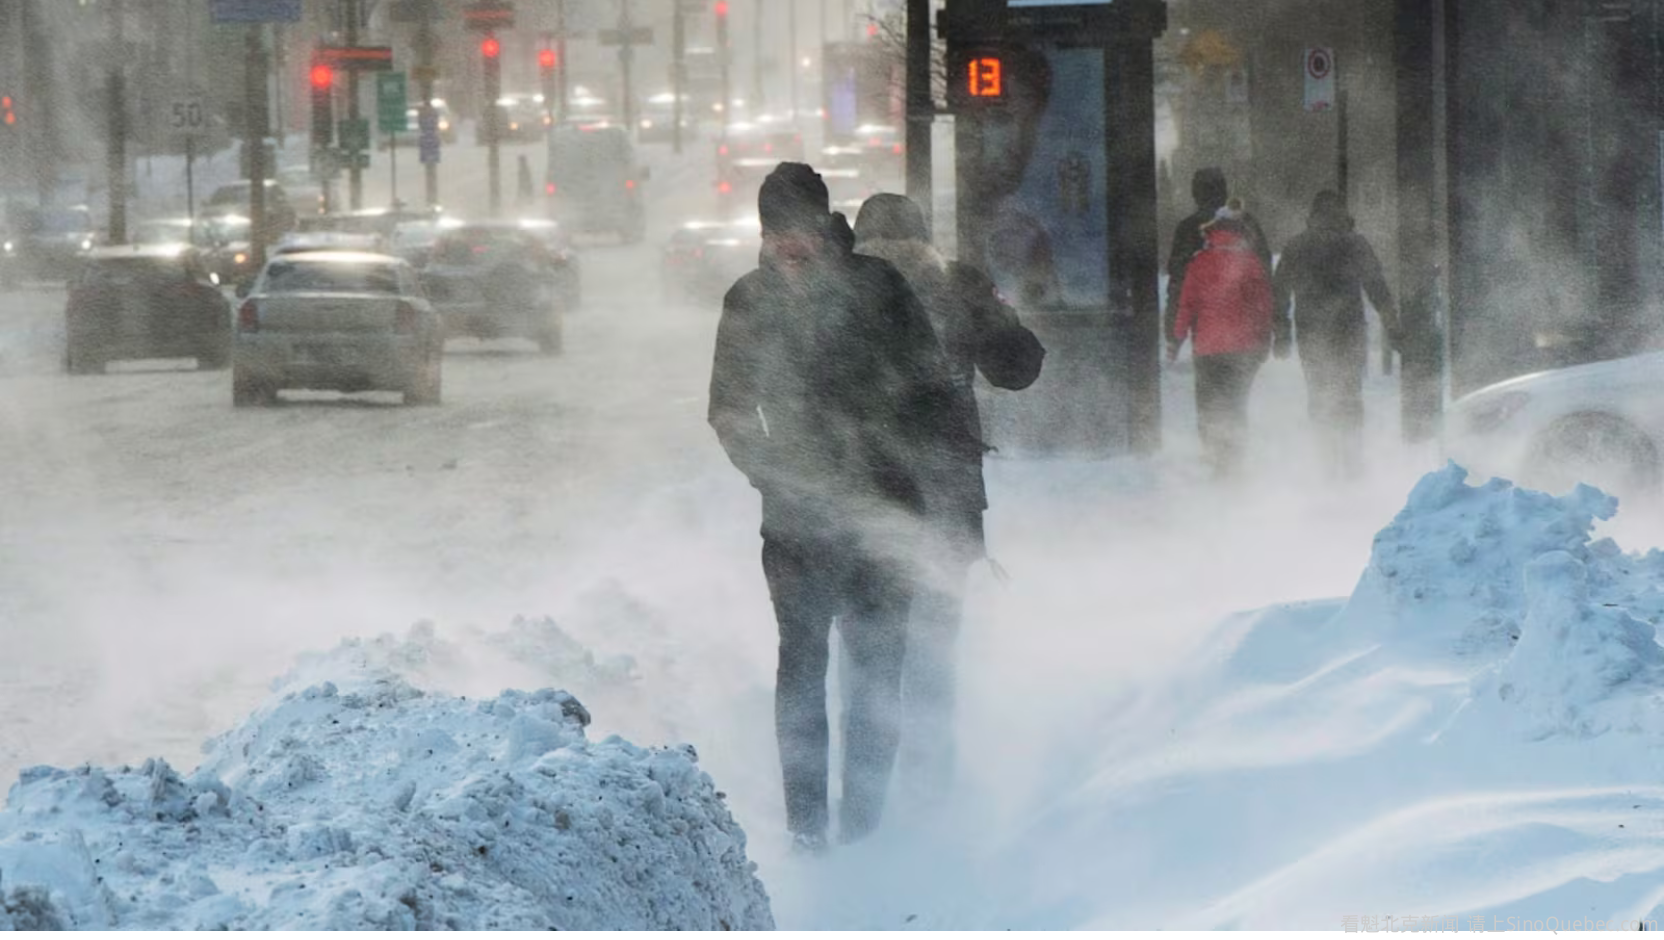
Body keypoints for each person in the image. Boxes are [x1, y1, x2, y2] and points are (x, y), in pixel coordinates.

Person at [707, 164, 969, 853]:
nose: (787, 246)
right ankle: (806, 830)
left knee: (877, 673)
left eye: (798, 231)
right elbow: (729, 412)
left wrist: (918, 472)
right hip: (796, 525)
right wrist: (779, 477)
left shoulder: (880, 290)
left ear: (825, 228)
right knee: (801, 669)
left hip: (885, 513)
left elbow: (931, 388)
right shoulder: (747, 302)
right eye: (773, 233)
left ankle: (865, 829)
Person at [851, 193, 1045, 800]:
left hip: (858, 501)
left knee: (862, 652)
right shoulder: (954, 286)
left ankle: (863, 794)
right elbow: (1016, 367)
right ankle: (931, 788)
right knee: (934, 648)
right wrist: (1000, 313)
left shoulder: (840, 290)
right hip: (946, 499)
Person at [1273, 190, 1400, 479]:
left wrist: (1281, 332)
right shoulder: (1355, 243)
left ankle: (1327, 465)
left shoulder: (1297, 245)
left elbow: (1279, 292)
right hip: (1349, 332)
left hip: (1311, 335)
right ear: (1341, 214)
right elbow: (1377, 287)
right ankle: (1353, 463)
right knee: (1350, 397)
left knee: (1319, 397)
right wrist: (1393, 327)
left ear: (1312, 215)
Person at [1170, 199, 1283, 479]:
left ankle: (1214, 454)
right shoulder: (1251, 264)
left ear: (1213, 230)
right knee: (1235, 402)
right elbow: (1263, 306)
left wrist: (1176, 339)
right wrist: (1265, 337)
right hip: (1242, 349)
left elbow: (1187, 305)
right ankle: (1233, 460)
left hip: (1207, 349)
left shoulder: (1199, 263)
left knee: (1209, 403)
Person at [1165, 167, 1272, 346]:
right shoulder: (1247, 223)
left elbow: (1178, 281)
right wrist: (1267, 328)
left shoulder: (1188, 228)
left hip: (1205, 330)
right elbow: (1264, 273)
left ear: (1195, 193)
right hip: (1245, 325)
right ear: (1224, 191)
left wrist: (1173, 330)